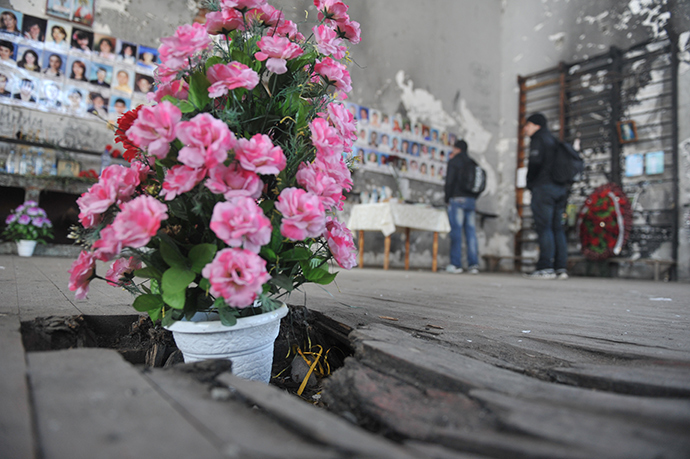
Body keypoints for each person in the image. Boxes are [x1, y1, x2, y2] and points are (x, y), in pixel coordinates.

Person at [523, 113, 568, 280]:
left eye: (528, 125)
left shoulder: (538, 139)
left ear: (536, 125)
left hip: (544, 188)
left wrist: (529, 182)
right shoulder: (554, 141)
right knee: (557, 228)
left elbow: (534, 163)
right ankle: (560, 267)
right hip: (560, 189)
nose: (526, 129)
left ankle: (545, 267)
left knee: (545, 227)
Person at [444, 139, 480, 274]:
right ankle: (473, 265)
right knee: (471, 233)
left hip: (457, 199)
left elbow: (449, 182)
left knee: (456, 232)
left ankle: (456, 264)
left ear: (457, 148)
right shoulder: (473, 163)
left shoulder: (454, 161)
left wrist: (447, 198)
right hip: (471, 200)